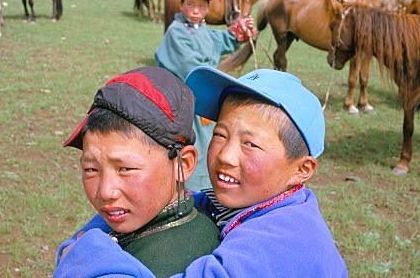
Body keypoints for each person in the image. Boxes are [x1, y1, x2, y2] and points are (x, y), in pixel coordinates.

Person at [54, 66, 347, 277]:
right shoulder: (242, 204)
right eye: (220, 135)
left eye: (250, 144)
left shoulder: (281, 240)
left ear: (301, 170)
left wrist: (82, 254)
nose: (226, 155)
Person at [59, 66, 221, 277]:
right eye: (91, 169)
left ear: (184, 164)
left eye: (125, 169)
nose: (106, 192)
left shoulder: (164, 265)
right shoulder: (189, 218)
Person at [154, 0, 255, 191]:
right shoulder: (176, 31)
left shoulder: (202, 30)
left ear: (208, 8)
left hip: (204, 103)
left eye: (201, 5)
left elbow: (223, 40)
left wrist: (239, 30)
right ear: (181, 5)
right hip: (186, 105)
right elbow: (192, 69)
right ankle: (190, 192)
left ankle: (208, 189)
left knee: (210, 145)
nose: (196, 10)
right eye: (190, 4)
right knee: (193, 149)